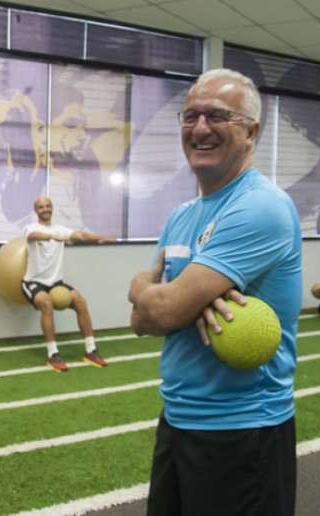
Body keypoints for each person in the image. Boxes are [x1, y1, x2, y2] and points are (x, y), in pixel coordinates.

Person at [128, 69, 302, 515]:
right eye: (191, 116)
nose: (200, 128)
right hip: (179, 418)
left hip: (243, 431)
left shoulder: (260, 206)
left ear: (251, 131)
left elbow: (163, 313)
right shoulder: (181, 216)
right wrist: (150, 294)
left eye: (218, 116)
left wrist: (149, 292)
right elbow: (141, 319)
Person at [23, 196, 113, 372]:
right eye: (41, 207)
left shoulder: (60, 229)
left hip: (56, 283)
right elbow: (33, 236)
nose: (45, 209)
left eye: (48, 206)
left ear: (52, 208)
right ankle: (52, 354)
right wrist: (51, 236)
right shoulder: (30, 227)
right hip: (33, 282)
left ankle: (91, 350)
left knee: (80, 301)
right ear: (36, 211)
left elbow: (80, 234)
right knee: (46, 304)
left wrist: (98, 238)